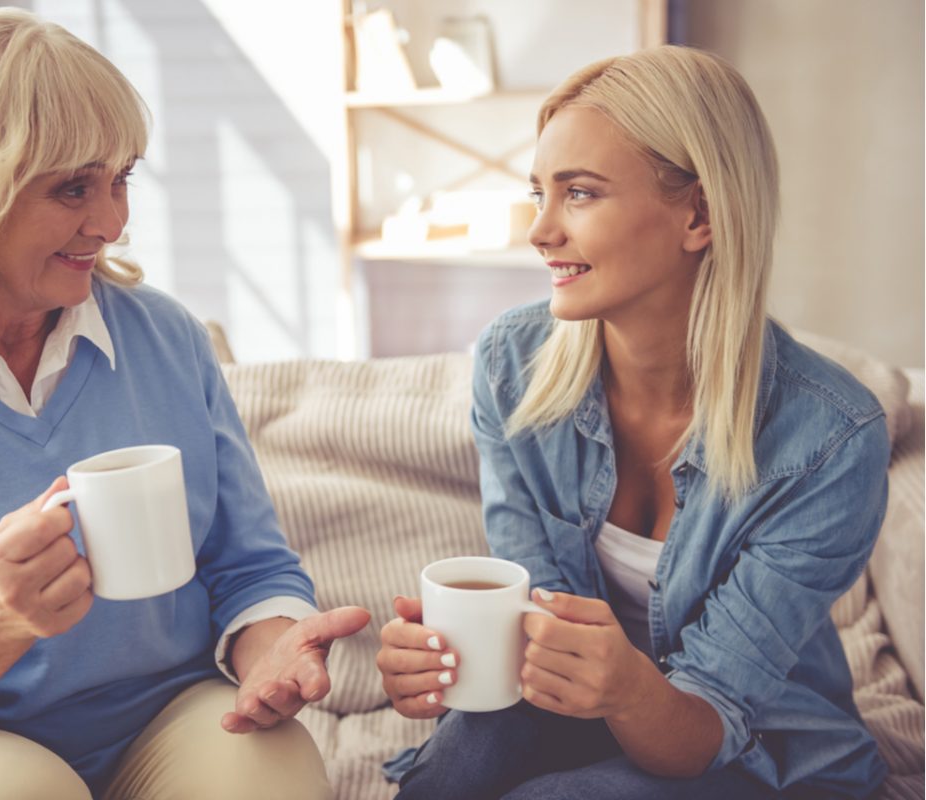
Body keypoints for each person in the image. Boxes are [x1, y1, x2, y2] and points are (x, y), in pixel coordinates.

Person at [0, 9, 369, 800]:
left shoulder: (166, 339)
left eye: (120, 178)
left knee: (274, 771)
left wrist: (272, 647)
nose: (113, 222)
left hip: (155, 719)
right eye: (73, 188)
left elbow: (248, 563)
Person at [376, 45, 889, 800]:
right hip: (577, 708)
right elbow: (533, 625)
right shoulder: (509, 366)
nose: (540, 231)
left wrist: (623, 688)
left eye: (578, 193)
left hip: (755, 750)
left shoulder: (831, 439)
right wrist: (443, 663)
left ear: (701, 215)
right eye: (539, 192)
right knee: (453, 763)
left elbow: (710, 717)